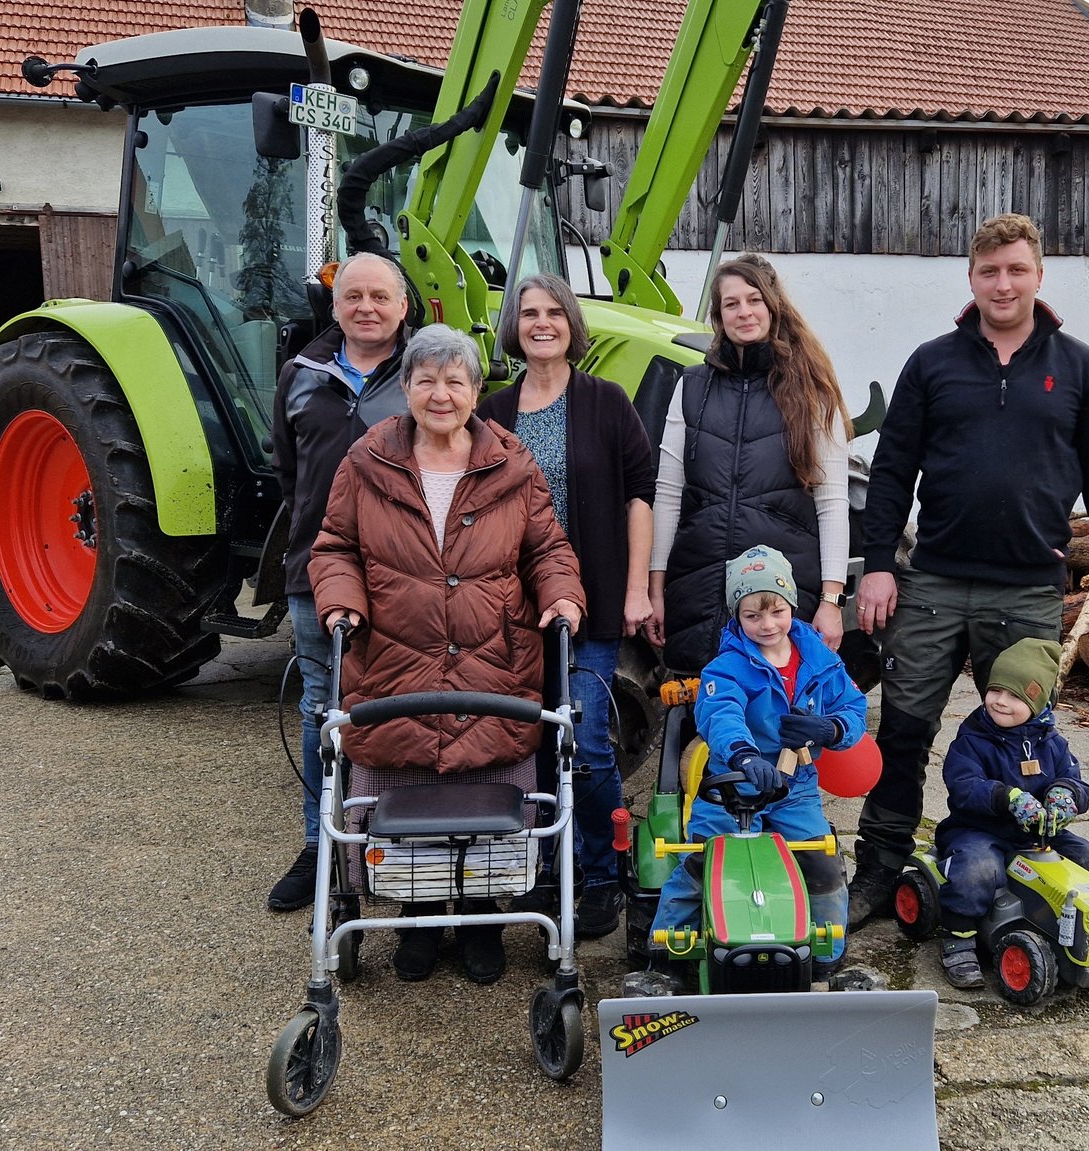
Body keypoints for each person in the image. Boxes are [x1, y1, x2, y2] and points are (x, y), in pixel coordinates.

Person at [848, 213, 1089, 925]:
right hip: (935, 581)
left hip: (1029, 588)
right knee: (903, 733)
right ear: (971, 279)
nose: (1001, 283)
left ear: (1038, 276)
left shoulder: (1079, 368)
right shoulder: (933, 362)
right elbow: (891, 472)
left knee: (1022, 741)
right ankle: (879, 871)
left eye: (1015, 270)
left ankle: (1015, 876)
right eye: (988, 271)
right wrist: (880, 565)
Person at [308, 324, 585, 985]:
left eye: (455, 380)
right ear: (404, 387)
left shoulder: (512, 465)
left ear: (475, 391)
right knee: (410, 791)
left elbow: (547, 548)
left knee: (487, 788)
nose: (440, 393)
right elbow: (335, 547)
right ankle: (418, 915)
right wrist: (341, 600)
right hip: (396, 658)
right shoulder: (366, 462)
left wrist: (563, 596)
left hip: (492, 658)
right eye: (426, 379)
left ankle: (484, 917)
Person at [480, 273, 656, 940]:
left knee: (584, 741)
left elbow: (641, 491)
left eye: (555, 311)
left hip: (596, 601)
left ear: (572, 323)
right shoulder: (495, 411)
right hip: (512, 609)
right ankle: (545, 867)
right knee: (524, 742)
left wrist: (637, 585)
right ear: (514, 327)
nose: (542, 322)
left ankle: (605, 873)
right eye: (529, 313)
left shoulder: (608, 402)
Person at [645, 546, 869, 989]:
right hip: (734, 780)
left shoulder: (823, 662)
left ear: (791, 606)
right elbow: (720, 714)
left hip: (796, 784)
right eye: (752, 616)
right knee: (699, 863)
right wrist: (744, 755)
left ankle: (827, 956)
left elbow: (854, 707)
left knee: (823, 862)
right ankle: (665, 954)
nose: (767, 625)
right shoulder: (726, 668)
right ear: (736, 616)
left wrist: (832, 727)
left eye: (776, 612)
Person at [267, 253, 413, 913]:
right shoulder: (300, 377)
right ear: (335, 305)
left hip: (402, 573)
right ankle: (319, 848)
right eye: (353, 295)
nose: (367, 307)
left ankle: (394, 845)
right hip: (315, 573)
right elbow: (290, 478)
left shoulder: (421, 377)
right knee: (321, 712)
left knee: (399, 709)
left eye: (380, 296)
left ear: (403, 307)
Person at [645, 254, 851, 674]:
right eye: (731, 304)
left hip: (780, 597)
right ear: (719, 316)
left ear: (773, 305)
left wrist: (831, 601)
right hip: (699, 589)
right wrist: (656, 589)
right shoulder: (691, 387)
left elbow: (832, 501)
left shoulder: (813, 390)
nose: (744, 312)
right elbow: (667, 494)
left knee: (779, 720)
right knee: (703, 720)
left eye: (754, 300)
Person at [932, 637, 1089, 988]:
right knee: (976, 870)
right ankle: (959, 936)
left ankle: (1083, 930)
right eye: (996, 690)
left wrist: (1064, 796)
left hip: (1039, 834)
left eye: (1015, 696)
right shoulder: (973, 739)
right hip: (980, 829)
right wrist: (1007, 797)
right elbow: (963, 783)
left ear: (1039, 700)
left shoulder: (1052, 742)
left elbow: (1073, 779)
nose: (1001, 701)